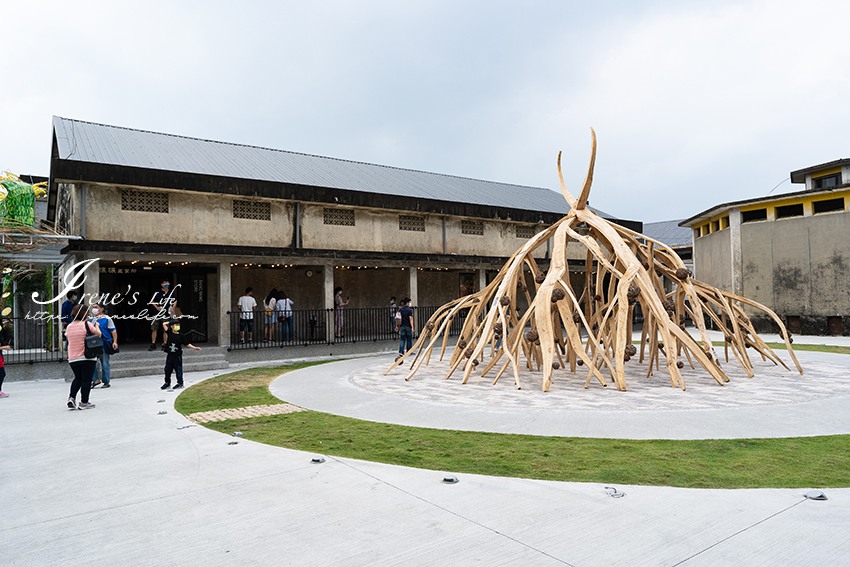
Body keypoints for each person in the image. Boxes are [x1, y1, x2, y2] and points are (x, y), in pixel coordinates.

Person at [65, 304, 102, 410]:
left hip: (73, 358)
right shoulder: (87, 324)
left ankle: (71, 398)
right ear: (85, 314)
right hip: (87, 357)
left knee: (78, 378)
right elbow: (98, 334)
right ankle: (84, 402)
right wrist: (97, 327)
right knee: (86, 380)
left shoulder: (69, 326)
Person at [160, 319, 201, 390]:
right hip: (170, 354)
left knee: (178, 369)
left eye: (178, 325)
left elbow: (187, 343)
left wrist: (194, 348)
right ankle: (167, 383)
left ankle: (180, 383)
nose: (178, 326)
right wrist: (171, 322)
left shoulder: (181, 335)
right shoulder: (169, 332)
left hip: (177, 355)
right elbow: (164, 324)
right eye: (176, 325)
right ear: (172, 326)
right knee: (167, 369)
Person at [89, 303, 118, 389]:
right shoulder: (90, 319)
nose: (94, 309)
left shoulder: (107, 319)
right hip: (93, 344)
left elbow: (113, 331)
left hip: (103, 343)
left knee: (105, 363)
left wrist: (114, 342)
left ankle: (106, 381)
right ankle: (95, 380)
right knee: (92, 363)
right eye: (93, 307)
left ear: (101, 309)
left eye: (96, 307)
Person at [148, 279, 176, 351]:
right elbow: (152, 300)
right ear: (161, 284)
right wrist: (156, 307)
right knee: (154, 329)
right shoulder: (157, 292)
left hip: (166, 313)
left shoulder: (171, 292)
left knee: (165, 330)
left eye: (168, 282)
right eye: (165, 283)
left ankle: (165, 344)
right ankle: (153, 344)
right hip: (156, 314)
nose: (167, 284)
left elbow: (175, 301)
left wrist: (172, 308)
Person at [395, 297, 415, 363]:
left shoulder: (400, 309)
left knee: (402, 339)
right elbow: (411, 319)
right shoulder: (409, 310)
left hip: (402, 326)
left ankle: (401, 351)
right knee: (409, 339)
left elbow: (397, 318)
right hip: (408, 326)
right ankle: (409, 351)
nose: (410, 303)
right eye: (409, 302)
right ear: (407, 302)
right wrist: (412, 327)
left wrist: (397, 326)